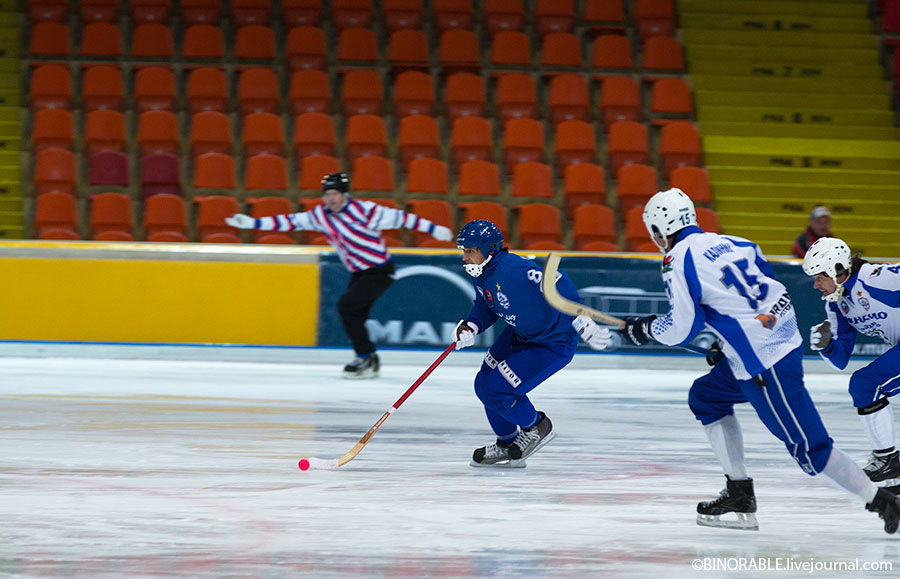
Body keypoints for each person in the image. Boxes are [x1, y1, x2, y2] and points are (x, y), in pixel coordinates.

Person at [620, 188, 900, 533]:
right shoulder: (735, 242)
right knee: (707, 396)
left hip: (764, 362)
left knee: (812, 450)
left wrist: (646, 329)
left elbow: (683, 326)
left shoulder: (677, 260)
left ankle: (883, 501)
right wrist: (728, 341)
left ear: (659, 230)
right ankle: (739, 492)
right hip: (775, 340)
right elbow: (765, 287)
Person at [225, 172, 454, 379]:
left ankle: (366, 357)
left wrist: (434, 229)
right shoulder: (320, 216)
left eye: (335, 193)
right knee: (355, 314)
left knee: (347, 307)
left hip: (379, 271)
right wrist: (253, 223)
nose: (331, 198)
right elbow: (289, 221)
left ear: (345, 195)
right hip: (358, 272)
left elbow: (403, 218)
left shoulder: (365, 211)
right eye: (327, 194)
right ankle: (368, 358)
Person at [452, 219, 611, 467]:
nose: (465, 257)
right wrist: (472, 325)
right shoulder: (482, 272)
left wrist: (580, 317)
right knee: (484, 383)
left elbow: (557, 279)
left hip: (551, 344)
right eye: (464, 251)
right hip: (520, 335)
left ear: (489, 249)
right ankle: (506, 442)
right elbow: (485, 304)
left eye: (470, 251)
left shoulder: (513, 269)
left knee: (496, 389)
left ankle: (536, 426)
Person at [802, 236, 900, 485]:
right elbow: (840, 360)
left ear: (836, 270)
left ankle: (888, 460)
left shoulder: (877, 277)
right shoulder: (836, 304)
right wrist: (826, 346)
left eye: (819, 277)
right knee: (864, 385)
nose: (816, 285)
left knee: (866, 384)